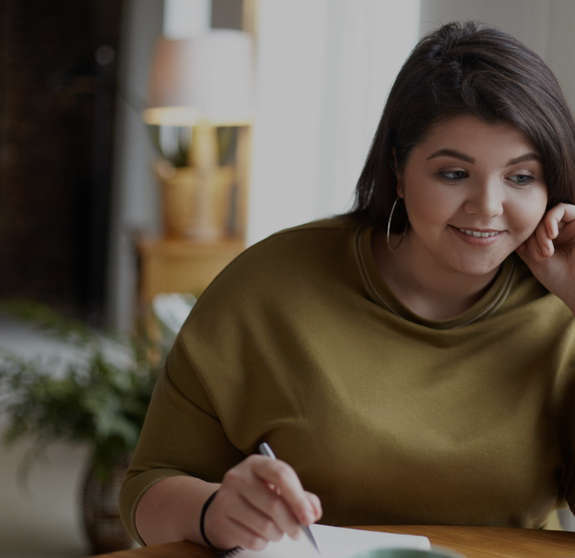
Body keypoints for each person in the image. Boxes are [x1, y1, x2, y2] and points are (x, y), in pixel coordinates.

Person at [120, 21, 575, 551]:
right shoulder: (267, 286)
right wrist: (213, 511)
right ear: (398, 172)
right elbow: (145, 489)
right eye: (453, 174)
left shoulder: (560, 306)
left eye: (521, 177)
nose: (488, 206)